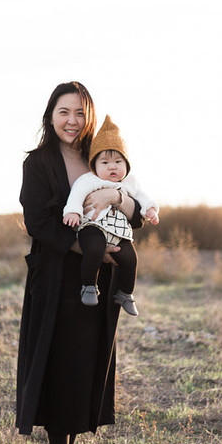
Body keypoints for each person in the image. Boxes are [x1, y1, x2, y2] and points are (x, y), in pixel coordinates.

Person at [16, 82, 146, 444]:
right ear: (50, 115)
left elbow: (138, 214)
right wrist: (85, 248)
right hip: (57, 277)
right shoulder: (38, 163)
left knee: (84, 366)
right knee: (60, 366)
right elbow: (37, 222)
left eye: (79, 113)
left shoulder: (103, 157)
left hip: (99, 281)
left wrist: (115, 195)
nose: (72, 121)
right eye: (64, 112)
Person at [62, 115, 159, 317]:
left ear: (126, 164)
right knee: (94, 248)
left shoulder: (130, 182)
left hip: (119, 231)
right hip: (93, 226)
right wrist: (72, 211)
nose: (112, 166)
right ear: (94, 165)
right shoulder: (89, 179)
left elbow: (142, 198)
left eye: (118, 161)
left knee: (130, 258)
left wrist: (150, 209)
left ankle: (125, 293)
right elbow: (76, 195)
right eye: (105, 162)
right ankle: (89, 286)